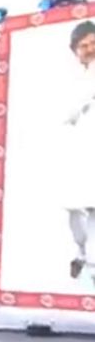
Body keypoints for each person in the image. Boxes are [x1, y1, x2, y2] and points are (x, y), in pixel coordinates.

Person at [65, 21, 95, 284]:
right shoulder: (74, 81)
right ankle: (82, 251)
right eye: (83, 46)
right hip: (80, 154)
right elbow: (66, 114)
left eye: (93, 43)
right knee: (74, 208)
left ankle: (93, 262)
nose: (89, 49)